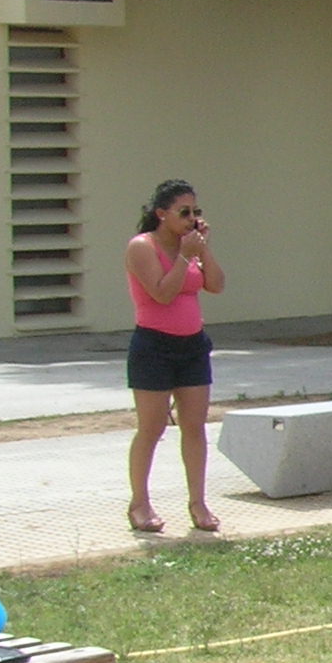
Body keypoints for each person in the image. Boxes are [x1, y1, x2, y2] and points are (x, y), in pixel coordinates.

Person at [124, 179, 226, 535]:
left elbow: (216, 285)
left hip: (192, 346)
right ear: (161, 214)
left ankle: (198, 502)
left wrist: (203, 250)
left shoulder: (192, 247)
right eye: (184, 212)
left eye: (196, 212)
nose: (191, 218)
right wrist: (184, 256)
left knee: (194, 426)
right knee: (151, 428)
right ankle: (140, 503)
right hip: (154, 347)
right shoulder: (142, 247)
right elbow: (162, 293)